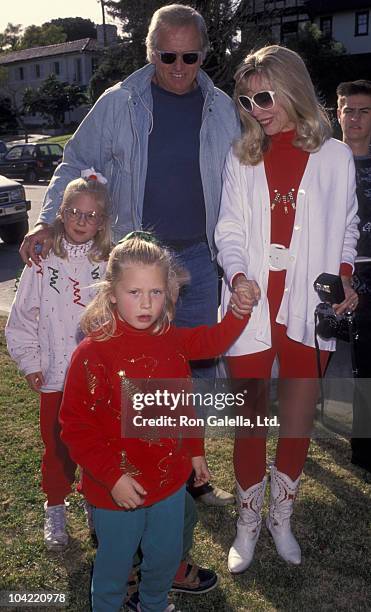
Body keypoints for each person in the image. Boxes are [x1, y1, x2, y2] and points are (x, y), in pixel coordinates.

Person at [19, 2, 240, 594]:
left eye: (190, 56)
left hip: (195, 261)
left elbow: (250, 177)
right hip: (136, 261)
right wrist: (46, 219)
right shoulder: (118, 101)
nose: (179, 68)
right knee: (121, 384)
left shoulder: (222, 108)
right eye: (167, 56)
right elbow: (75, 161)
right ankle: (119, 506)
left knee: (183, 373)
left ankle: (177, 477)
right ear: (150, 53)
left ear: (203, 53)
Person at [214, 45, 359, 573]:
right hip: (250, 306)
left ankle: (282, 518)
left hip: (307, 307)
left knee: (296, 423)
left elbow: (346, 227)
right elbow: (228, 227)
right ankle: (247, 525)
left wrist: (345, 276)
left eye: (266, 96)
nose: (257, 108)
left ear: (293, 88)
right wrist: (237, 274)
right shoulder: (241, 154)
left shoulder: (335, 156)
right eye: (248, 99)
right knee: (250, 422)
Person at [59, 232, 249, 612]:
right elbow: (76, 427)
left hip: (169, 484)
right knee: (114, 568)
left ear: (168, 294)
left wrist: (195, 451)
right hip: (116, 492)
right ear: (112, 292)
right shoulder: (92, 353)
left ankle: (154, 603)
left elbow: (188, 393)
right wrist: (112, 476)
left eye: (156, 293)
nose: (146, 303)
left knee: (163, 559)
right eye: (135, 293)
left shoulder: (171, 340)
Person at [5, 173, 111, 551]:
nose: (83, 222)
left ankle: (96, 502)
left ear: (102, 221)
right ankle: (55, 506)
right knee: (57, 445)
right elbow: (22, 319)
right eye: (75, 213)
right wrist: (32, 363)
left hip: (97, 381)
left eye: (92, 215)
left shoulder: (108, 264)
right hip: (54, 375)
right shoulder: (42, 261)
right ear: (61, 215)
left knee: (99, 443)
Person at [336, 79, 371, 474]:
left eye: (364, 110)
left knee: (367, 360)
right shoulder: (325, 161)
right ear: (338, 112)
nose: (356, 118)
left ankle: (363, 448)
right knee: (313, 362)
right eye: (350, 110)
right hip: (333, 270)